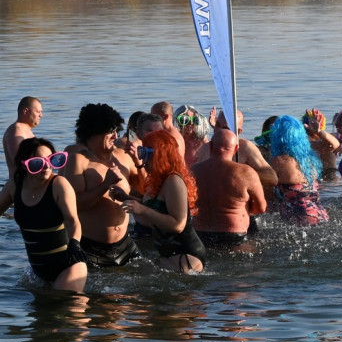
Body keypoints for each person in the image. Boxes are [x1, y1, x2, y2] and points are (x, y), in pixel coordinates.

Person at [0, 137, 88, 291]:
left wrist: (75, 243)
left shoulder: (59, 185)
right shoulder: (15, 186)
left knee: (68, 307)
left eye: (52, 160)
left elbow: (73, 221)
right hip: (38, 273)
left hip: (68, 266)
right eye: (38, 163)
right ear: (24, 164)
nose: (47, 166)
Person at [62, 103, 143, 267]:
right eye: (110, 131)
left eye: (117, 130)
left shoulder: (124, 157)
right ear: (93, 132)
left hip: (125, 246)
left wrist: (139, 164)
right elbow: (76, 205)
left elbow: (146, 192)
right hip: (92, 248)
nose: (115, 135)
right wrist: (105, 184)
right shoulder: (78, 161)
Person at [121, 130, 206, 273]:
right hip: (168, 255)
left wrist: (142, 210)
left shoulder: (174, 181)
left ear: (159, 155)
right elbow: (152, 206)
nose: (142, 159)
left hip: (187, 255)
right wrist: (124, 197)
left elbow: (178, 224)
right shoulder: (157, 180)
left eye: (144, 153)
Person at [191, 129, 268, 245]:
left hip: (200, 234)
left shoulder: (193, 171)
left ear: (211, 146)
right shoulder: (246, 173)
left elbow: (186, 205)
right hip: (234, 235)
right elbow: (261, 208)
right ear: (236, 149)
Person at [195, 109, 278, 196]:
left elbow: (272, 177)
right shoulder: (206, 149)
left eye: (225, 128)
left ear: (238, 132)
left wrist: (239, 176)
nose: (218, 131)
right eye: (217, 125)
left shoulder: (246, 148)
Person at [269, 115, 328, 226]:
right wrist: (319, 131)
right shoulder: (310, 159)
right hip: (321, 214)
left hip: (300, 218)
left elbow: (265, 189)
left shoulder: (279, 161)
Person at [4, 96, 42, 176]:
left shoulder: (25, 130)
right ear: (26, 111)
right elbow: (19, 162)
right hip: (21, 185)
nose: (41, 115)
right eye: (38, 112)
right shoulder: (17, 130)